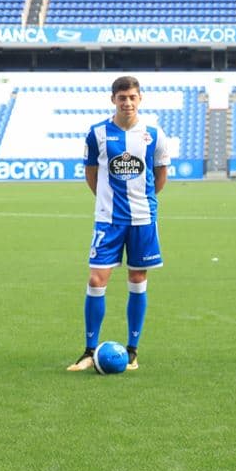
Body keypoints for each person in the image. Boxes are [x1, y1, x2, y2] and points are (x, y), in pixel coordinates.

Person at [67, 76, 170, 372]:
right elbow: (91, 174)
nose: (127, 102)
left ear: (141, 99)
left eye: (132, 97)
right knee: (96, 280)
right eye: (122, 97)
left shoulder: (154, 134)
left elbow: (160, 176)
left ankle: (133, 350)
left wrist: (144, 200)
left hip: (143, 219)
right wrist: (106, 200)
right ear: (113, 99)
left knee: (137, 280)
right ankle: (88, 350)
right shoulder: (97, 133)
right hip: (108, 220)